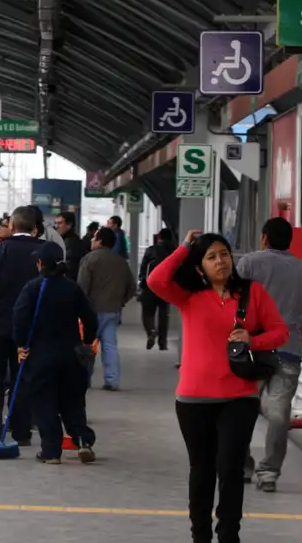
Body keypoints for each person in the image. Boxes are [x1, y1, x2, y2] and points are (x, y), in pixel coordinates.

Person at [148, 230, 288, 543]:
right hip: (193, 399)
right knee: (201, 470)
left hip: (239, 397)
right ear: (199, 266)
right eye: (210, 257)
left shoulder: (252, 292)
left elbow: (280, 331)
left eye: (224, 254)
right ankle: (200, 536)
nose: (220, 261)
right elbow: (156, 280)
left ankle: (228, 536)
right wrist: (184, 247)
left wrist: (253, 339)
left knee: (230, 468)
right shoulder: (188, 296)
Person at [13, 241, 99, 465]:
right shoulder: (72, 288)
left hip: (41, 356)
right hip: (71, 355)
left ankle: (51, 452)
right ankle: (82, 441)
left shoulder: (33, 288)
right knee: (73, 401)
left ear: (40, 263)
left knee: (45, 403)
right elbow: (90, 317)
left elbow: (19, 317)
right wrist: (87, 341)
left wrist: (21, 345)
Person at [237, 217, 302, 492]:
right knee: (279, 414)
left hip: (252, 349)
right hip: (289, 350)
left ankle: (242, 466)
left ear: (264, 238)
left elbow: (232, 302)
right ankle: (269, 473)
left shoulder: (249, 264)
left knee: (241, 409)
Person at [0, 206, 45, 445]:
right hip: (31, 327)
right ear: (35, 228)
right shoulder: (43, 252)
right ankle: (22, 432)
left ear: (12, 226)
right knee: (23, 377)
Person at [77, 227, 136, 391]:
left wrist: (80, 308)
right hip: (113, 310)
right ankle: (112, 380)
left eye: (94, 238)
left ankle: (84, 379)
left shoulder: (89, 259)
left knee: (87, 346)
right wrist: (121, 301)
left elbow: (82, 287)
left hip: (92, 311)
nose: (91, 240)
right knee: (110, 346)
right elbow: (132, 287)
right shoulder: (120, 262)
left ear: (100, 241)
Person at [138, 228, 177, 351]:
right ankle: (162, 343)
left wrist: (142, 282)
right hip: (166, 287)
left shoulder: (151, 250)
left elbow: (143, 268)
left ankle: (151, 331)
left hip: (151, 285)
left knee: (147, 313)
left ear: (159, 237)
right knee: (163, 315)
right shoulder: (174, 251)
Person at [55, 211, 85, 280]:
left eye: (60, 223)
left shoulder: (71, 243)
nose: (56, 226)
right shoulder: (64, 240)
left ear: (69, 225)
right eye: (55, 223)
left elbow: (69, 269)